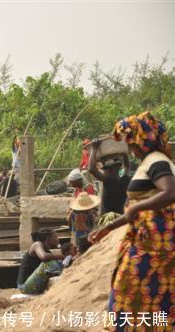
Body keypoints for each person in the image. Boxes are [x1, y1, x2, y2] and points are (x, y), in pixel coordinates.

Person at [88, 111, 174, 328]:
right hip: (148, 240)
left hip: (156, 246)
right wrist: (109, 227)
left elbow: (170, 192)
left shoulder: (156, 162)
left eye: (131, 141)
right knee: (150, 299)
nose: (130, 147)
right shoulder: (143, 166)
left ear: (142, 140)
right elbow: (134, 211)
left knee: (127, 292)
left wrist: (137, 206)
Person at [17, 228, 65, 294]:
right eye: (55, 236)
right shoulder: (37, 244)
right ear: (48, 238)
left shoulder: (47, 251)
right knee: (49, 263)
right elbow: (43, 256)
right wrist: (61, 256)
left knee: (59, 263)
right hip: (25, 287)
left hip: (34, 286)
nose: (58, 239)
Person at [89, 142, 131, 214]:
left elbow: (92, 169)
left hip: (108, 218)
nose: (104, 171)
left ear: (110, 169)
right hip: (121, 216)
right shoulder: (124, 180)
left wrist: (94, 148)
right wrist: (124, 152)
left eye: (105, 169)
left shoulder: (109, 181)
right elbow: (127, 166)